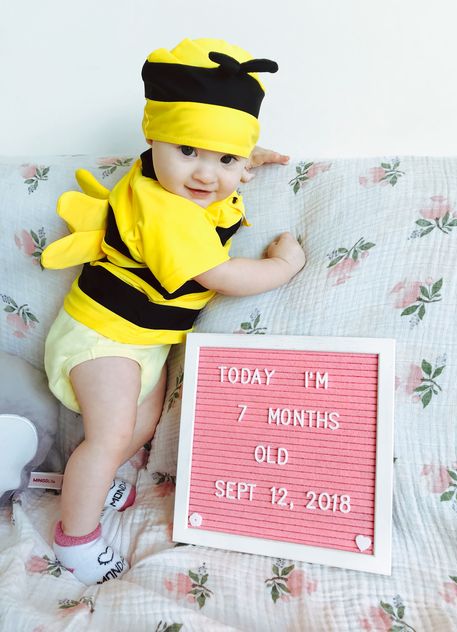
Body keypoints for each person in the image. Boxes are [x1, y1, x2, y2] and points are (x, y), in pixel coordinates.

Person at [41, 37, 305, 585]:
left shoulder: (176, 179)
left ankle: (91, 479)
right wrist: (284, 266)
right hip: (101, 335)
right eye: (188, 152)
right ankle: (76, 537)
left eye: (225, 159)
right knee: (110, 435)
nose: (205, 176)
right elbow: (221, 276)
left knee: (138, 430)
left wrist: (245, 155)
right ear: (154, 137)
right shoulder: (168, 213)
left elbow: (207, 150)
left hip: (145, 341)